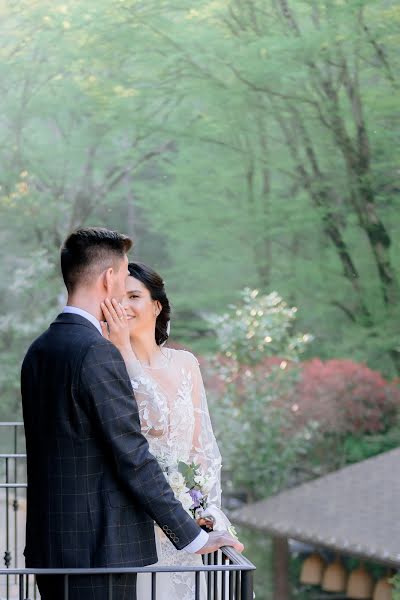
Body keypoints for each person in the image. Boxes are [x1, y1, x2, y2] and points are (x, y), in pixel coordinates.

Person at [21, 227, 242, 600]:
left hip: (51, 546)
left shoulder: (40, 349)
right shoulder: (97, 351)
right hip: (98, 552)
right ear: (109, 278)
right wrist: (192, 536)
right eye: (123, 278)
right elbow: (132, 456)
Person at [101, 261, 239, 599]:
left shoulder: (185, 364)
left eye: (134, 296)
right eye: (117, 298)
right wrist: (120, 346)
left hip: (184, 519)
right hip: (135, 520)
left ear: (156, 305)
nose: (124, 306)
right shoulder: (105, 362)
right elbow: (153, 422)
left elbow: (199, 449)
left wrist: (199, 506)